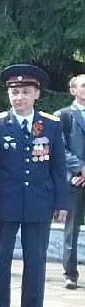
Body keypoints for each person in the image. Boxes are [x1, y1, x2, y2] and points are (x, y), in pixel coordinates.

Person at [0, 64, 68, 307]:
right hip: (4, 202)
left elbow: (58, 167)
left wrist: (60, 203)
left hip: (38, 201)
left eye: (24, 92)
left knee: (36, 260)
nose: (18, 97)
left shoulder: (51, 125)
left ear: (36, 94)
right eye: (14, 92)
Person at [59, 74, 85, 288]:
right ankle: (70, 273)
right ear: (73, 90)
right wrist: (81, 167)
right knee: (72, 228)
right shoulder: (64, 116)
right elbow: (60, 149)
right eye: (83, 86)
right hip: (76, 180)